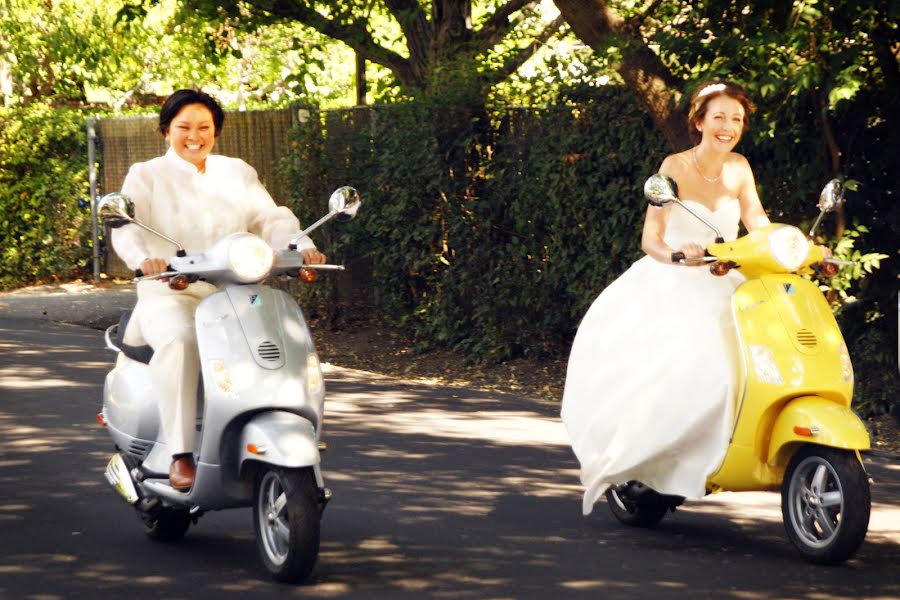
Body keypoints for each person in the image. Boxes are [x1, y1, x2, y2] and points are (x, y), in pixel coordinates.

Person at [561, 81, 769, 515]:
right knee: (690, 369)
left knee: (752, 361)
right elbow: (650, 237)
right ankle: (655, 464)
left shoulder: (740, 168)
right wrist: (678, 254)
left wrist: (793, 244)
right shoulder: (673, 166)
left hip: (726, 278)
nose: (728, 126)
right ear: (698, 122)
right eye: (719, 117)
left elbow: (758, 223)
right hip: (676, 279)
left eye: (736, 119)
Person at [111, 89, 326, 491]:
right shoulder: (146, 174)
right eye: (184, 127)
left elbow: (270, 216)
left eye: (204, 127)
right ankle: (179, 453)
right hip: (169, 292)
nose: (195, 136)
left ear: (216, 131)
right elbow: (127, 224)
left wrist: (300, 244)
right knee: (181, 340)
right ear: (166, 131)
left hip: (233, 293)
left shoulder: (237, 172)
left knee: (278, 339)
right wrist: (144, 259)